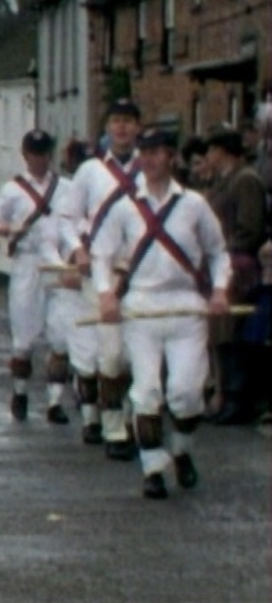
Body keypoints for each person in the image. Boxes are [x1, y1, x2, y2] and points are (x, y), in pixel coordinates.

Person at [92, 127, 231, 499]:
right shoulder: (125, 206)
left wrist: (219, 290)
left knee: (186, 394)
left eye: (157, 152)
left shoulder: (194, 205)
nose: (150, 159)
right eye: (145, 152)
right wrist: (106, 295)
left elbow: (217, 252)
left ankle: (181, 451)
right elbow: (101, 254)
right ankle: (153, 468)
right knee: (147, 391)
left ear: (171, 157)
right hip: (141, 308)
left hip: (186, 309)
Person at [58, 98, 142, 458]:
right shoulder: (90, 171)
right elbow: (67, 218)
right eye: (116, 120)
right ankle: (113, 428)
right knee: (109, 353)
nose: (122, 127)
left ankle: (135, 420)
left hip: (140, 271)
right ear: (107, 127)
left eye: (129, 121)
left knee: (137, 353)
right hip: (100, 269)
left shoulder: (148, 169)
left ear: (138, 127)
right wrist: (78, 249)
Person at [0, 130, 72, 425]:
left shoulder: (66, 188)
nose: (39, 159)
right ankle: (20, 392)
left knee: (61, 337)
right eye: (34, 153)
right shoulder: (13, 190)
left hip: (57, 264)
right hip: (27, 264)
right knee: (23, 338)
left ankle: (55, 402)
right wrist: (2, 229)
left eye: (44, 153)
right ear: (25, 154)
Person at [203, 125, 267, 425]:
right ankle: (225, 393)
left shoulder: (245, 180)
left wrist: (222, 252)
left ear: (222, 151)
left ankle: (238, 397)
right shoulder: (224, 181)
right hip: (221, 265)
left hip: (237, 267)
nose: (207, 156)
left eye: (211, 150)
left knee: (232, 332)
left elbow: (250, 226)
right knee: (219, 333)